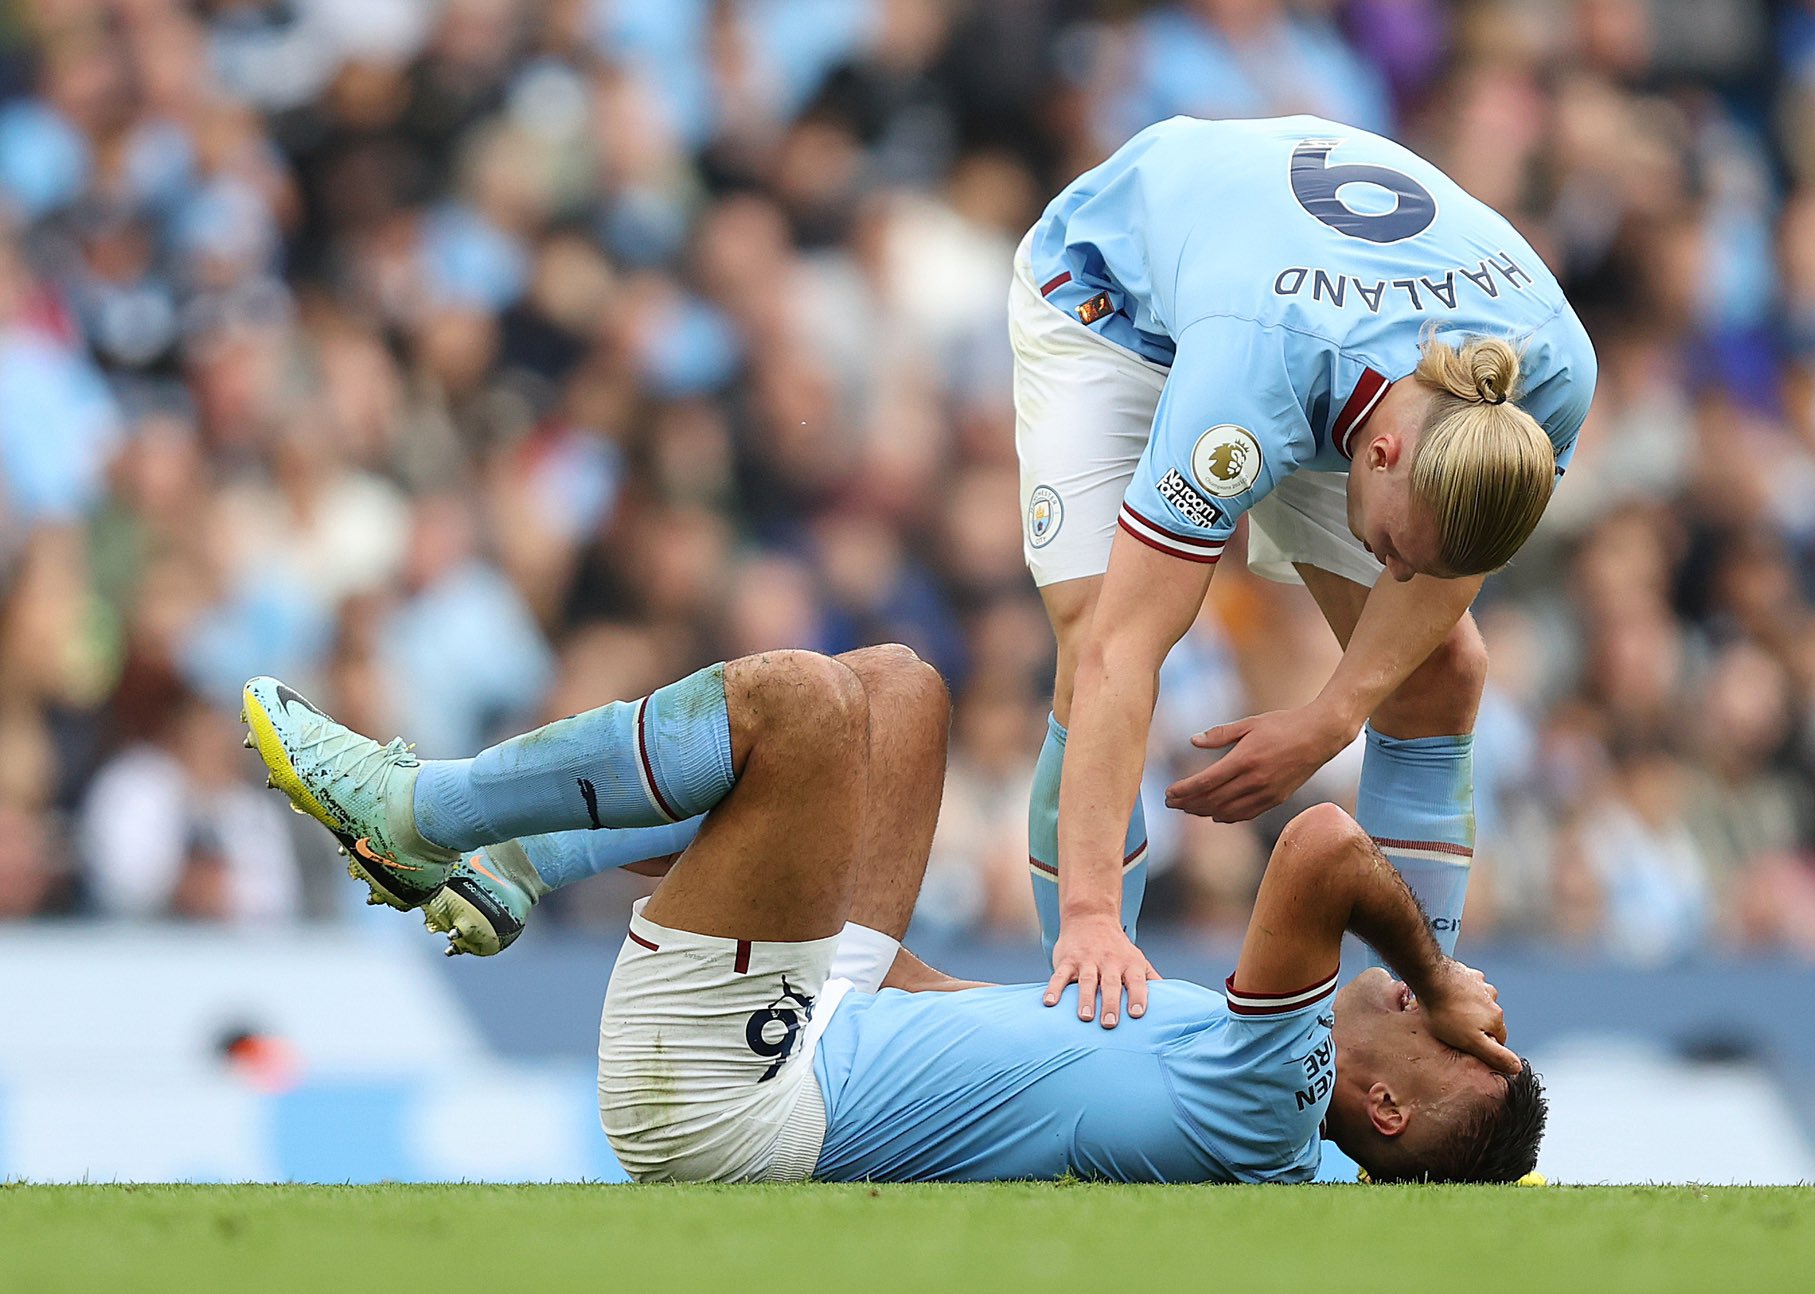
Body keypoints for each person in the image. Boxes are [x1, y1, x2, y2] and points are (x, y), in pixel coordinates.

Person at [240, 644, 1543, 1185]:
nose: (1450, 1007)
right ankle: (513, 860)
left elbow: (1322, 846)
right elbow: (959, 1027)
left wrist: (1429, 970)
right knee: (900, 691)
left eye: (1456, 1043)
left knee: (799, 712)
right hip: (828, 1019)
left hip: (733, 1096)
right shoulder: (1278, 1119)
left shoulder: (1276, 1093)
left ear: (1384, 1107)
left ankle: (439, 814)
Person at [1012, 115, 1597, 1026]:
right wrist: (1088, 912)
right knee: (1096, 627)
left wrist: (1334, 717)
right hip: (1110, 294)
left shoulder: (1549, 373)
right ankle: (1085, 987)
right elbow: (1122, 656)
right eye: (1400, 549)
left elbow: (1443, 572)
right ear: (1383, 453)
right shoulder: (1248, 387)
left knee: (1440, 672)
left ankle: (1414, 1015)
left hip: (1296, 304)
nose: (1400, 572)